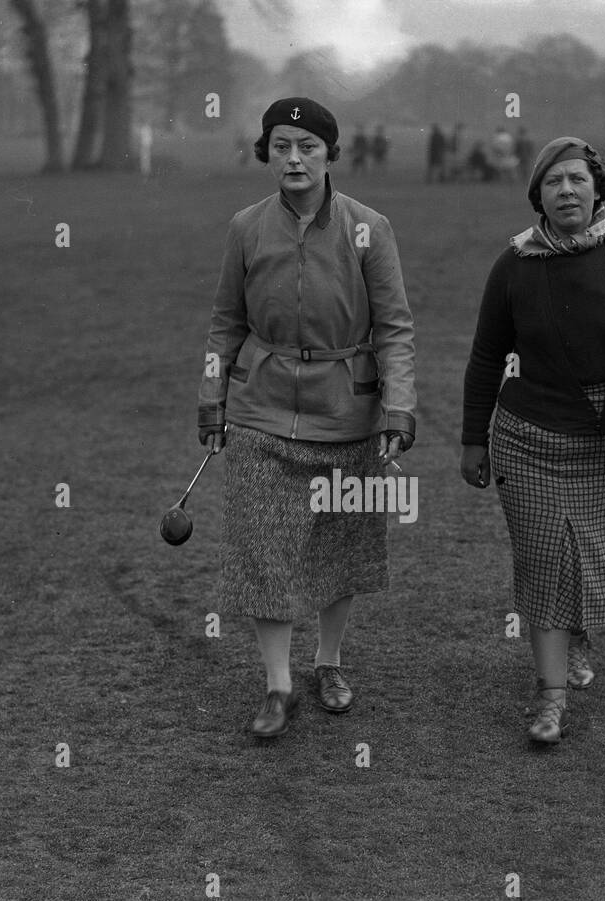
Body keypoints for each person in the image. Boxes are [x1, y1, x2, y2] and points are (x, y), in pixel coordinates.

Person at [197, 98, 418, 738]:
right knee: (265, 548)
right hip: (259, 410)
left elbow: (396, 328)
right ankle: (277, 685)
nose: (294, 158)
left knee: (337, 545)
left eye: (308, 146)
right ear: (266, 153)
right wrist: (210, 398)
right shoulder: (245, 227)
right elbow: (224, 325)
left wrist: (398, 405)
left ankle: (329, 662)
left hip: (347, 411)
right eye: (282, 145)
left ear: (330, 155)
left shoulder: (369, 227)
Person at [460, 136, 605, 745]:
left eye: (577, 180)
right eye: (553, 182)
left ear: (598, 189)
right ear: (538, 196)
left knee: (589, 553)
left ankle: (576, 630)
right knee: (545, 558)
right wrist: (472, 440)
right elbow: (486, 358)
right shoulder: (514, 266)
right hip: (528, 439)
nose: (567, 192)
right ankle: (550, 698)